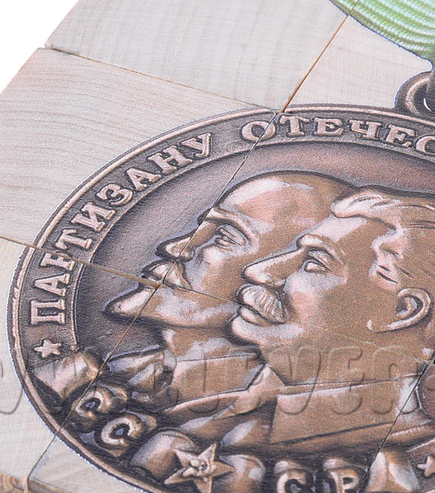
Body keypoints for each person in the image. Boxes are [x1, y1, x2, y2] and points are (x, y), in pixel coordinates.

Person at [205, 186, 435, 454]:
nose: (259, 271)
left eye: (314, 263)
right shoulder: (227, 426)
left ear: (401, 311)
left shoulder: (400, 454)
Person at [101, 171, 355, 419]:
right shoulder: (112, 372)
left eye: (224, 237)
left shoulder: (270, 420)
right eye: (201, 227)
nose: (174, 248)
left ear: (276, 276)